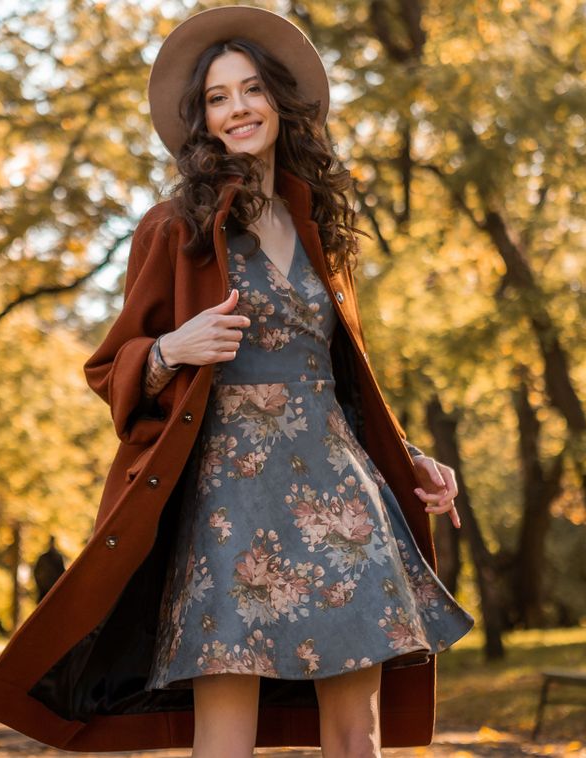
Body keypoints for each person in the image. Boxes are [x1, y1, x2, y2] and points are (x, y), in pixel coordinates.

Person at [134, 6, 475, 756]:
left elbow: (343, 378)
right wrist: (172, 348)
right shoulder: (175, 228)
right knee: (224, 738)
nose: (238, 108)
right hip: (230, 500)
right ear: (202, 119)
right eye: (218, 97)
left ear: (277, 102)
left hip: (339, 494)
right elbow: (113, 364)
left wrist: (404, 454)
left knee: (356, 734)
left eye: (250, 89)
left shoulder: (321, 226)